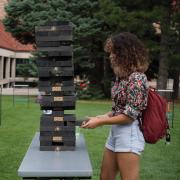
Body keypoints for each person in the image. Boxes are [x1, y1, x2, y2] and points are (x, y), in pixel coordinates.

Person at [81, 32, 150, 180]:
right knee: (105, 177)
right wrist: (101, 116)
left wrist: (100, 122)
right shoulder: (122, 77)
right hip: (116, 131)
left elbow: (130, 116)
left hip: (129, 133)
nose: (111, 56)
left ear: (125, 53)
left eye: (114, 52)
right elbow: (119, 109)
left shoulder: (137, 78)